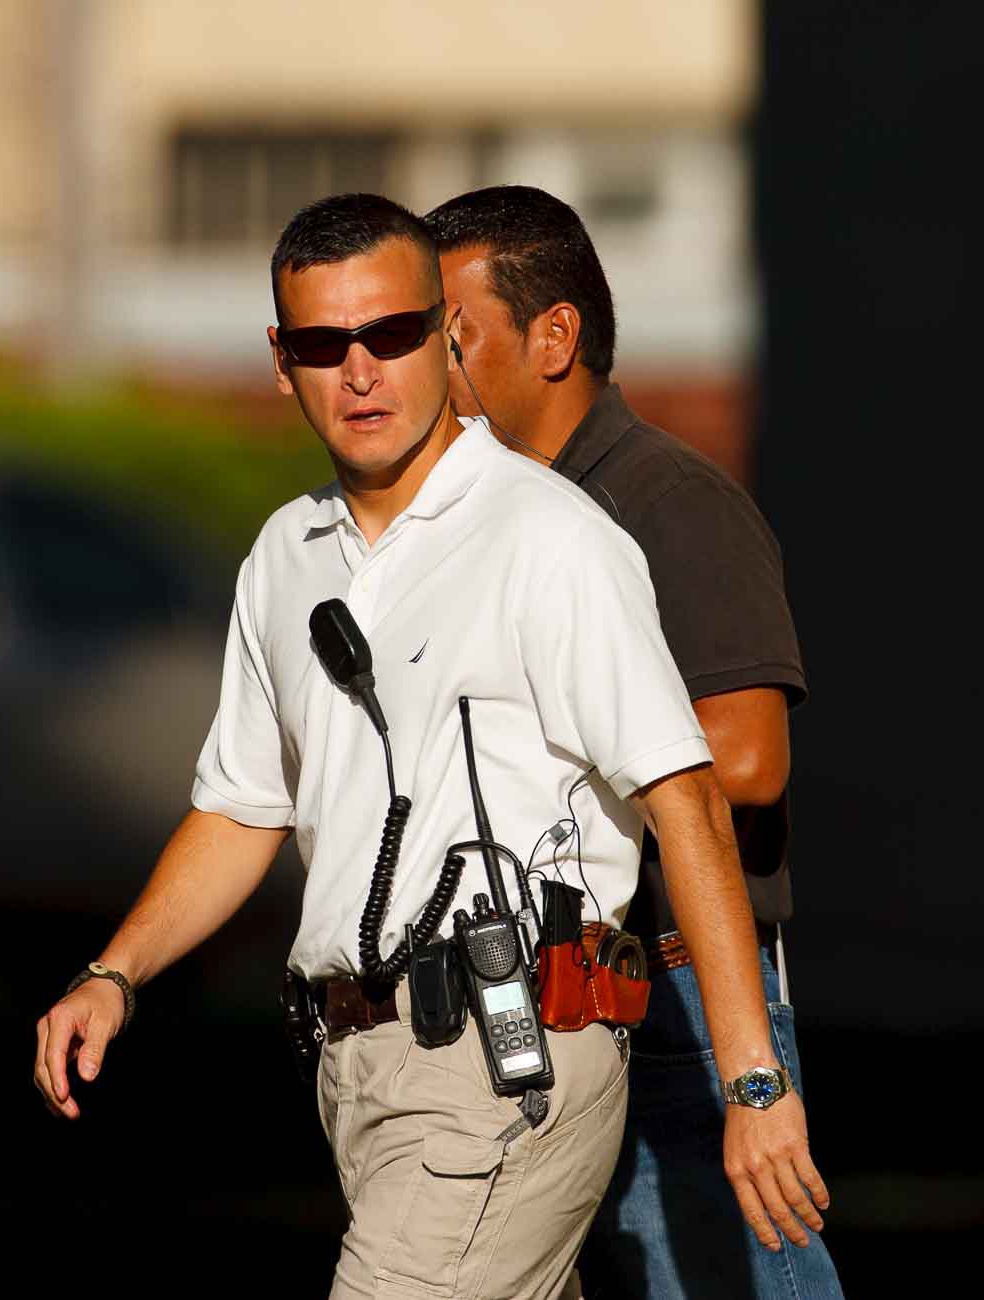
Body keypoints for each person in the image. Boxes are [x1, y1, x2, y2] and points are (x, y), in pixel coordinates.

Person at [31, 193, 828, 1300]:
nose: (359, 371)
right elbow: (241, 808)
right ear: (281, 361)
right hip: (355, 1072)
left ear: (443, 339)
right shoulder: (283, 557)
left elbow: (688, 796)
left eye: (392, 334)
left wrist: (752, 1083)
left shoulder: (551, 536)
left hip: (514, 1064)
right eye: (323, 344)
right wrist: (114, 972)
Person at [424, 185, 845, 1299]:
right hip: (540, 1005)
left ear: (553, 335)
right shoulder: (495, 514)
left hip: (677, 1004)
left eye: (448, 333)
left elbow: (748, 759)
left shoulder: (669, 501)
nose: (424, 365)